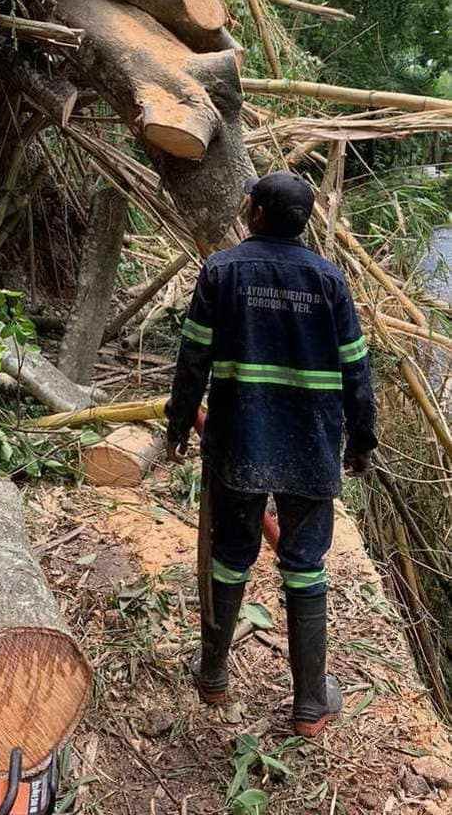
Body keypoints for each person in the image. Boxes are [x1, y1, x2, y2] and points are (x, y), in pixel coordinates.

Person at [165, 171, 377, 737]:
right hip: (311, 445)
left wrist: (179, 424)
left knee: (230, 555)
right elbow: (357, 370)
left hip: (240, 440)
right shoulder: (330, 280)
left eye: (250, 203)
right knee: (305, 564)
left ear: (256, 213)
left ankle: (213, 676)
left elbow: (193, 359)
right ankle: (309, 704)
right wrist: (362, 440)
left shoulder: (222, 271)